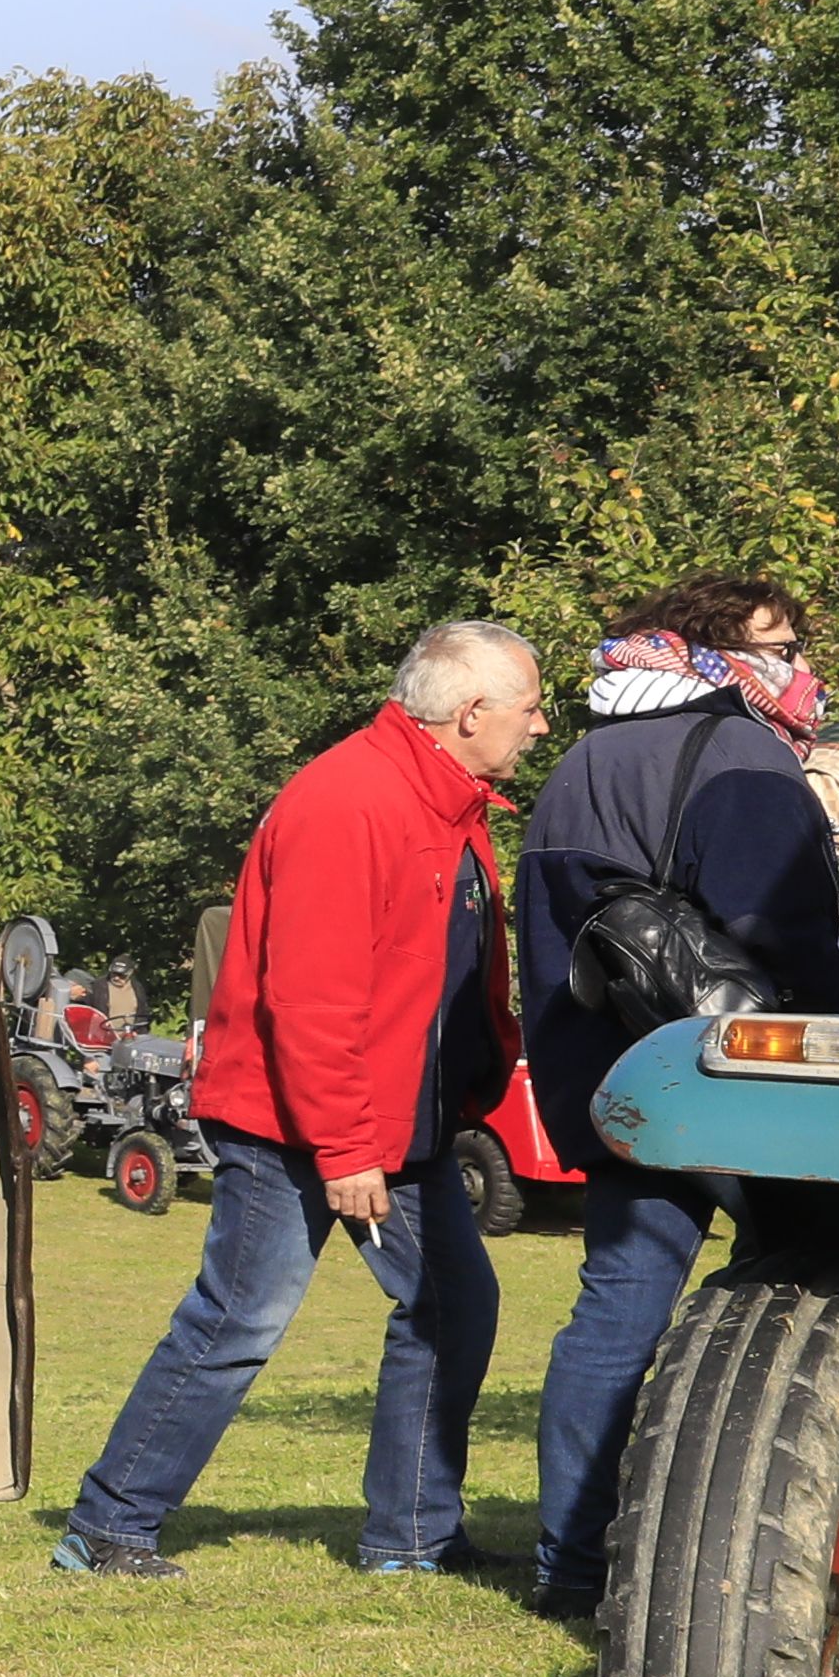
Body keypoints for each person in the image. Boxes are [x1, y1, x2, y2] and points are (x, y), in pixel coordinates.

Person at [55, 619, 549, 1580]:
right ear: (470, 712)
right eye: (531, 707)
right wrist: (348, 1148)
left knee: (457, 1306)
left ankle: (410, 1538)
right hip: (297, 1123)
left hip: (397, 1123)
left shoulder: (451, 803)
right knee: (241, 1317)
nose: (538, 725)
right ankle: (109, 1526)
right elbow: (313, 999)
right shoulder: (350, 799)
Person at [513, 579, 839, 1624]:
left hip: (608, 1074)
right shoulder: (741, 756)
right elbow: (782, 931)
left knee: (617, 1304)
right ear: (714, 653)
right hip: (742, 1085)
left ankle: (571, 1558)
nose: (798, 665)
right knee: (805, 1303)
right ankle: (765, 1535)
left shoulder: (583, 759)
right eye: (780, 646)